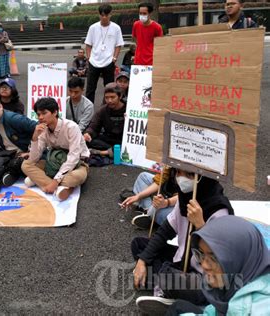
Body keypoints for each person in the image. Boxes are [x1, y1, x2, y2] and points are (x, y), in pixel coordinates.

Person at [131, 171, 234, 308]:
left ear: (203, 178)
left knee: (170, 277)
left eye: (189, 175)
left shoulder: (219, 211)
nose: (181, 178)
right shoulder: (185, 198)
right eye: (178, 173)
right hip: (183, 259)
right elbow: (164, 233)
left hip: (206, 275)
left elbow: (218, 259)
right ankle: (166, 287)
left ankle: (166, 289)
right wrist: (143, 260)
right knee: (139, 246)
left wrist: (200, 226)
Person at [161, 216, 270, 315]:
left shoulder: (258, 309)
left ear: (241, 257)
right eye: (201, 254)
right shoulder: (237, 282)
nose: (204, 265)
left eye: (215, 258)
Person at [21, 97, 90, 201]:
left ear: (55, 112)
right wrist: (35, 138)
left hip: (77, 164)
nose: (40, 117)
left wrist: (56, 180)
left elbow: (74, 157)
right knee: (25, 165)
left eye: (44, 113)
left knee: (77, 177)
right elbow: (34, 158)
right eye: (38, 114)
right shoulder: (42, 129)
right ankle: (61, 189)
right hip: (54, 163)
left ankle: (43, 181)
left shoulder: (71, 127)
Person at [0, 95, 37, 186]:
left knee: (16, 163)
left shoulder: (14, 119)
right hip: (9, 154)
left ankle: (13, 173)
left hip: (25, 154)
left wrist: (31, 152)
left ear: (0, 106)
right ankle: (13, 173)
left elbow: (39, 128)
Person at [84, 4, 124, 103]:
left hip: (109, 62)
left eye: (107, 15)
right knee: (90, 89)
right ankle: (88, 110)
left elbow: (118, 45)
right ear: (99, 15)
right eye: (102, 15)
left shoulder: (116, 28)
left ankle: (106, 108)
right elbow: (88, 44)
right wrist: (89, 58)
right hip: (94, 62)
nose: (104, 17)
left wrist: (114, 58)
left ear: (111, 15)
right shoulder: (93, 27)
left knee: (109, 88)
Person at [83, 85, 125, 157]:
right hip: (109, 139)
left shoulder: (128, 109)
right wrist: (88, 134)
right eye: (107, 98)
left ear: (120, 96)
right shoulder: (103, 110)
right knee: (89, 141)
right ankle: (111, 152)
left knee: (129, 146)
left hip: (123, 140)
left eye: (112, 97)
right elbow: (94, 126)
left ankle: (103, 153)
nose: (109, 101)